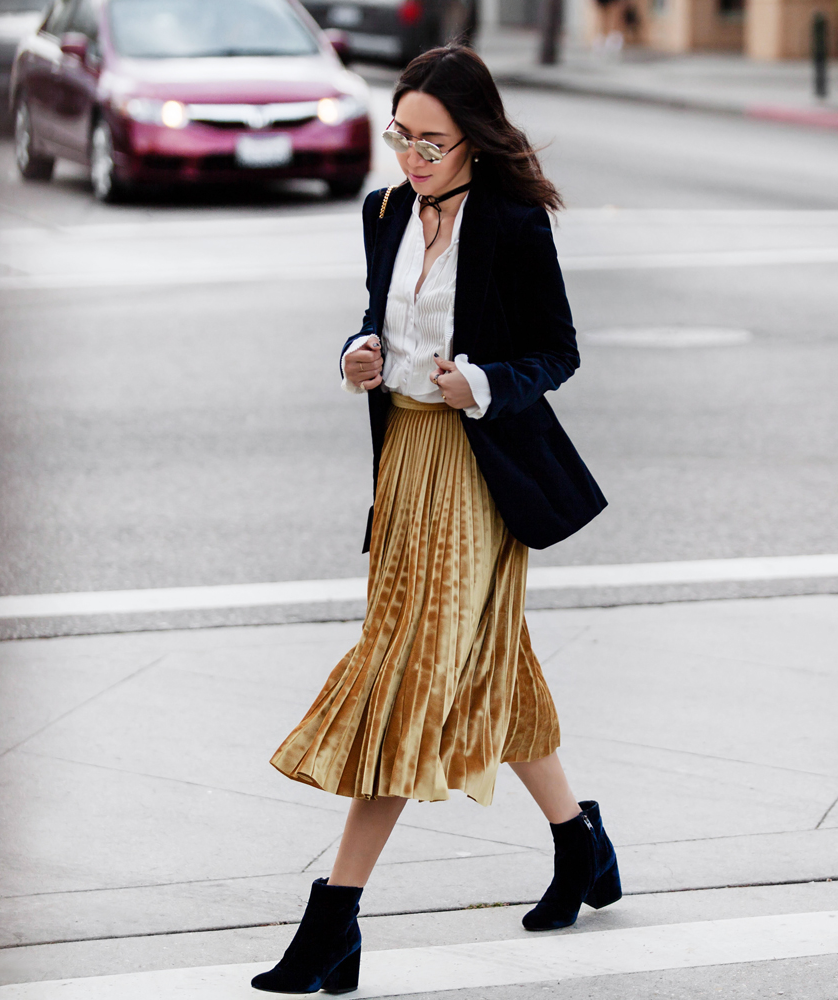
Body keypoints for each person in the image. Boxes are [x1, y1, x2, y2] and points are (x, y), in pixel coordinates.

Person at [250, 44, 620, 995]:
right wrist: (359, 353)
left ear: (474, 140)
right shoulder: (383, 213)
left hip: (477, 470)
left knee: (408, 675)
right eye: (401, 136)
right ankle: (581, 844)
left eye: (432, 142)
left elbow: (558, 352)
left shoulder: (513, 221)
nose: (412, 157)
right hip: (406, 464)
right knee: (489, 664)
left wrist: (485, 383)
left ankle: (333, 921)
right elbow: (379, 317)